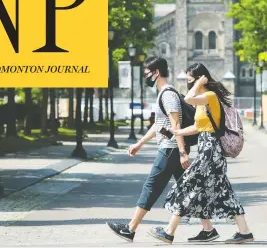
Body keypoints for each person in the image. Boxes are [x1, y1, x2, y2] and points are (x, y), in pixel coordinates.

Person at [147, 63, 254, 245]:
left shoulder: (209, 96)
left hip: (211, 151)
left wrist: (198, 85)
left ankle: (169, 232)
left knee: (188, 186)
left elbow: (188, 99)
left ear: (200, 78)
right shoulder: (203, 101)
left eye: (191, 80)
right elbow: (199, 127)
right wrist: (177, 132)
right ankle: (241, 232)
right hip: (208, 150)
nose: (189, 83)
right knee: (224, 193)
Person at [106, 56, 195, 242]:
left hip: (170, 149)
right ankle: (208, 228)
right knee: (189, 189)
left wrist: (182, 152)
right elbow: (159, 125)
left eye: (147, 73)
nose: (145, 76)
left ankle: (130, 229)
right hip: (171, 148)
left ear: (156, 73)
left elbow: (175, 123)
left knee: (151, 187)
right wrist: (140, 144)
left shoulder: (168, 94)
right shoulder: (163, 93)